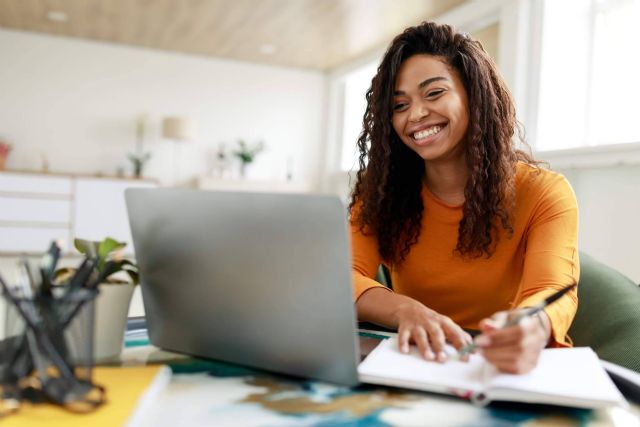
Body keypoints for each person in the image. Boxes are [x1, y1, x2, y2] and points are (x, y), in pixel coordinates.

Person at [349, 21, 579, 374]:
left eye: (434, 93)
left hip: (502, 371)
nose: (416, 114)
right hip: (416, 364)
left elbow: (552, 289)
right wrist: (405, 310)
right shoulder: (380, 193)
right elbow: (343, 275)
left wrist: (531, 327)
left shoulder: (544, 192)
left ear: (475, 94)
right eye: (399, 105)